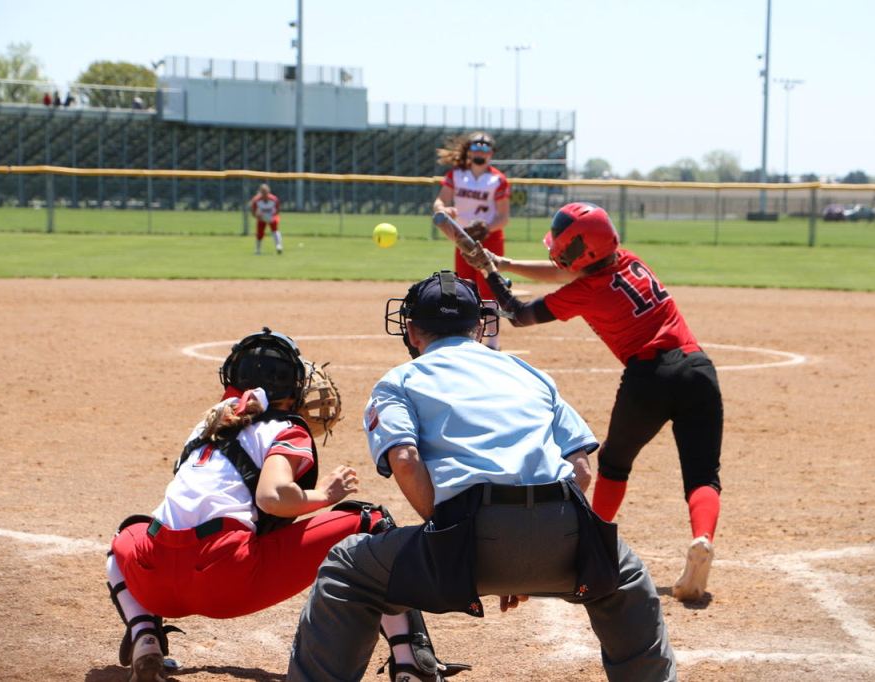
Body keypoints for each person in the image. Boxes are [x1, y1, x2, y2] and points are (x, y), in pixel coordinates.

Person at [288, 271, 676, 682]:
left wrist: (450, 532)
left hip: (467, 535)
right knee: (623, 577)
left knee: (349, 570)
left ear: (412, 331)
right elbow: (581, 468)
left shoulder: (399, 380)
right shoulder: (528, 372)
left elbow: (404, 459)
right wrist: (529, 548)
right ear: (479, 326)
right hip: (563, 530)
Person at [106, 328, 444, 682]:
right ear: (290, 388)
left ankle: (145, 637)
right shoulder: (286, 428)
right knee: (371, 523)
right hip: (226, 578)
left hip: (154, 580)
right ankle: (411, 661)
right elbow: (272, 496)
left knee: (128, 534)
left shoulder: (206, 425)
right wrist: (325, 495)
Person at [461, 202, 724, 602]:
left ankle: (593, 544)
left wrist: (489, 273)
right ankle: (702, 537)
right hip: (698, 369)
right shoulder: (630, 261)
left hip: (648, 378)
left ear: (578, 250)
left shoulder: (587, 291)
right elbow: (564, 271)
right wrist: (502, 262)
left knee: (615, 464)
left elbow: (519, 314)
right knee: (703, 474)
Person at [432, 132, 510, 350]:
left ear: (491, 153)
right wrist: (443, 209)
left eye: (485, 148)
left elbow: (503, 217)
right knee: (465, 288)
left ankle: (492, 343)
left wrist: (486, 228)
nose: (480, 152)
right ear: (469, 151)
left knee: (489, 289)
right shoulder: (456, 175)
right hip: (463, 238)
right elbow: (440, 201)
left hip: (490, 239)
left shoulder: (498, 180)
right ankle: (468, 337)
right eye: (476, 147)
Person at [250, 183, 283, 255]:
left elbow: (277, 210)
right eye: (263, 192)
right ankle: (258, 249)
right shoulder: (256, 200)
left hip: (272, 216)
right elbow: (253, 212)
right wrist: (259, 216)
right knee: (259, 233)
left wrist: (271, 217)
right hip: (261, 218)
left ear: (268, 192)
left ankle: (278, 246)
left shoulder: (274, 199)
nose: (264, 194)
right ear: (260, 192)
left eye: (266, 192)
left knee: (275, 229)